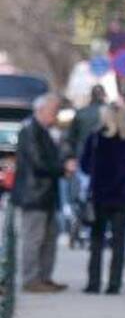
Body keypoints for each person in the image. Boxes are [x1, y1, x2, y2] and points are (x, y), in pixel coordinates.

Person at [11, 93, 74, 293]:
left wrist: (64, 162)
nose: (55, 115)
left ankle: (44, 277)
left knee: (49, 238)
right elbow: (38, 162)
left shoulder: (47, 131)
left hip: (46, 194)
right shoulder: (30, 131)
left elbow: (54, 156)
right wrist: (62, 168)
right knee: (33, 238)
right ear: (41, 110)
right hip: (33, 194)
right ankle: (31, 279)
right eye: (53, 111)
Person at [79, 103, 125, 295]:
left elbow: (84, 165)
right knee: (119, 241)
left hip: (99, 195)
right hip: (124, 195)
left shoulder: (95, 138)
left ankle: (93, 283)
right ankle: (114, 284)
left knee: (96, 240)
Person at [64, 85, 106, 160]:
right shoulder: (110, 113)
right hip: (103, 153)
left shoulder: (81, 112)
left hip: (83, 152)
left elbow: (71, 137)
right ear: (104, 95)